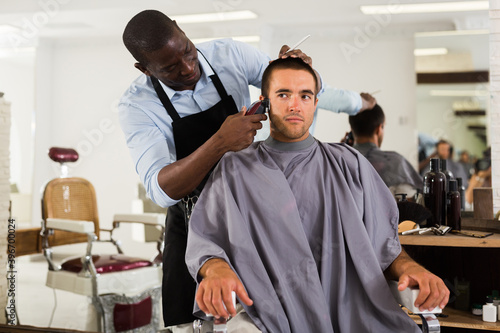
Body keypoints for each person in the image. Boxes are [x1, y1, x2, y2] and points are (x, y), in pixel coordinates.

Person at [118, 9, 375, 329]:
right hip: (194, 220)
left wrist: (352, 99)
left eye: (187, 51)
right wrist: (219, 143)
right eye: (171, 68)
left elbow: (296, 88)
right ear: (144, 69)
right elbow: (160, 190)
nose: (187, 68)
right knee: (187, 318)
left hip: (251, 212)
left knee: (270, 308)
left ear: (182, 31)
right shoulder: (137, 106)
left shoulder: (230, 55)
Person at [185, 57, 449, 332]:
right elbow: (206, 241)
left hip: (355, 314)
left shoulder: (349, 164)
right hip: (276, 316)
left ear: (315, 103)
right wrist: (216, 270)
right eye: (283, 94)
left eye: (305, 95)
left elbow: (385, 246)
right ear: (265, 102)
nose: (295, 105)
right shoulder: (235, 168)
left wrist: (410, 268)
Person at [348, 104, 422, 199]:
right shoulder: (395, 162)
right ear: (379, 129)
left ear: (351, 129)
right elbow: (411, 202)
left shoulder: (338, 159)